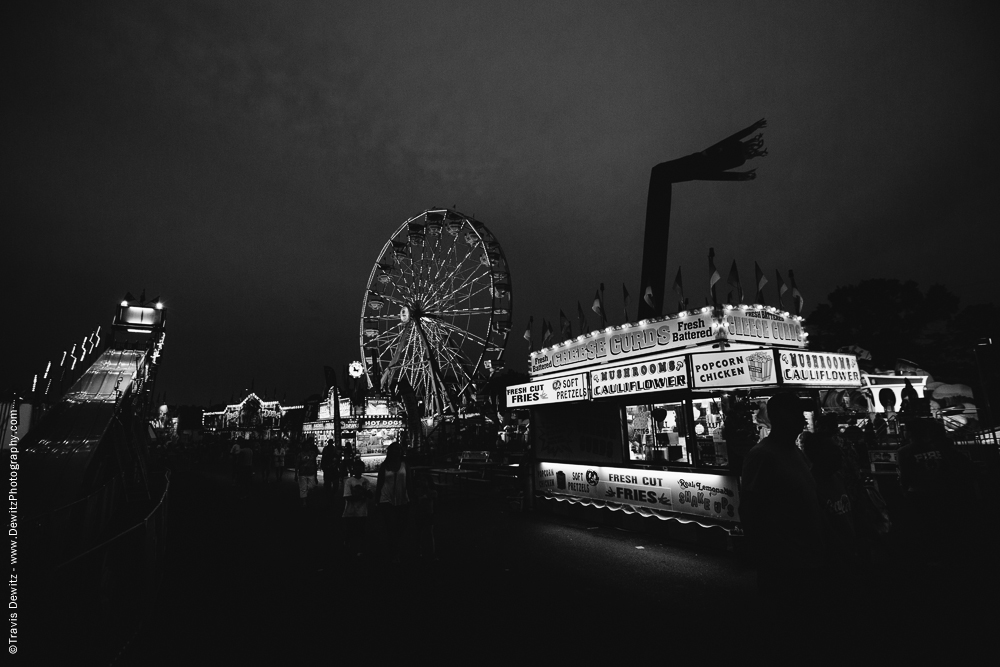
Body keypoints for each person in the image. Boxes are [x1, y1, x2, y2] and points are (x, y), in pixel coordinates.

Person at [740, 392, 827, 614]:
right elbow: (751, 509)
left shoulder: (795, 451)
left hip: (807, 556)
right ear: (781, 416)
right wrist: (764, 559)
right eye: (797, 413)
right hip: (784, 562)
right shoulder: (763, 455)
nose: (803, 419)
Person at [375, 442, 410, 562]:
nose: (397, 452)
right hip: (386, 499)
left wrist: (411, 497)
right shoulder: (385, 466)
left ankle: (395, 547)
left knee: (401, 525)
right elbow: (380, 483)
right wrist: (377, 499)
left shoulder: (404, 465)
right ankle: (394, 551)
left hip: (402, 499)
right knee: (391, 525)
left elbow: (409, 482)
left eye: (399, 449)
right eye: (395, 449)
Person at [342, 460, 372, 557]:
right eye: (356, 468)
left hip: (360, 511)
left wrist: (363, 491)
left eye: (360, 468)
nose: (358, 470)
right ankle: (351, 546)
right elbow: (347, 497)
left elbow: (370, 495)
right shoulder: (350, 481)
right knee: (352, 530)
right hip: (351, 511)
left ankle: (357, 548)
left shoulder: (365, 481)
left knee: (360, 530)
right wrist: (363, 495)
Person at [413, 471, 438, 560]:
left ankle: (420, 552)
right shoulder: (430, 491)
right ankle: (431, 553)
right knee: (427, 533)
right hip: (426, 512)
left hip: (423, 513)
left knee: (421, 533)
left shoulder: (419, 490)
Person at [296, 441, 320, 507]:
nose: (307, 447)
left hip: (311, 472)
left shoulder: (313, 454)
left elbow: (315, 464)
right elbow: (297, 464)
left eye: (308, 446)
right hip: (302, 473)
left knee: (312, 487)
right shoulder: (300, 454)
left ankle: (306, 496)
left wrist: (316, 475)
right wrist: (296, 474)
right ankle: (304, 501)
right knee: (303, 488)